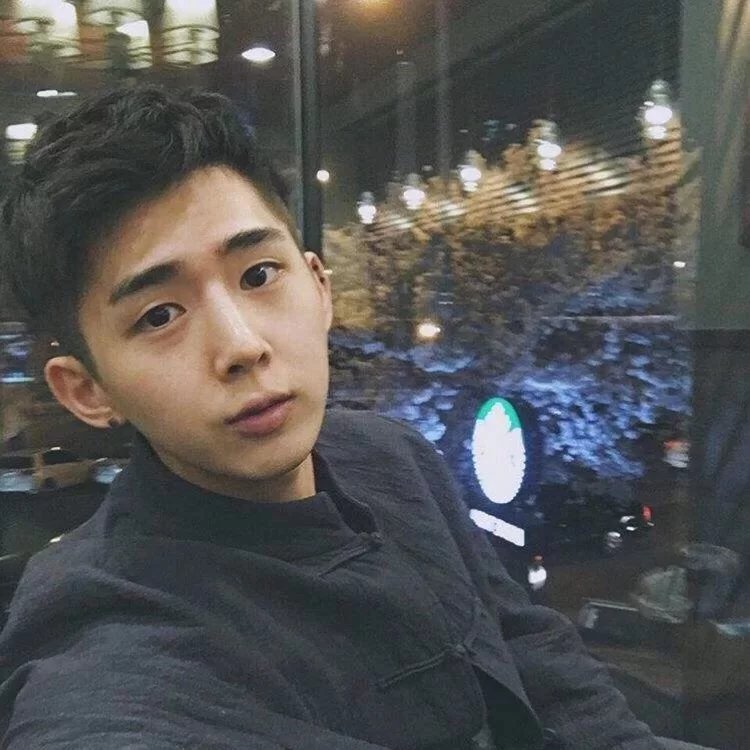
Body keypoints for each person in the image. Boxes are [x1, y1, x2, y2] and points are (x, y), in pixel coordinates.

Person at [0, 85, 707, 750]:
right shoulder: (117, 659)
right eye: (159, 315)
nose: (242, 346)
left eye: (258, 275)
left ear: (319, 286)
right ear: (86, 391)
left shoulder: (393, 455)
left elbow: (538, 658)